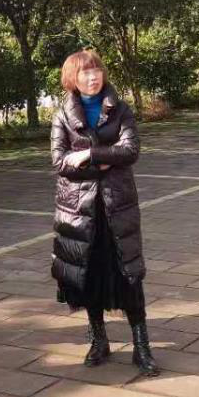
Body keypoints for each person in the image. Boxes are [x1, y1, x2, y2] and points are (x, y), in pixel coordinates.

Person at [50, 49, 158, 377]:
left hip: (117, 205)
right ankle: (99, 340)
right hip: (79, 210)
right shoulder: (62, 115)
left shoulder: (120, 109)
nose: (92, 77)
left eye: (96, 70)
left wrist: (88, 155)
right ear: (73, 78)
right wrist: (104, 162)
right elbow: (59, 162)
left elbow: (131, 150)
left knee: (129, 275)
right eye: (85, 72)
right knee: (89, 274)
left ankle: (142, 346)